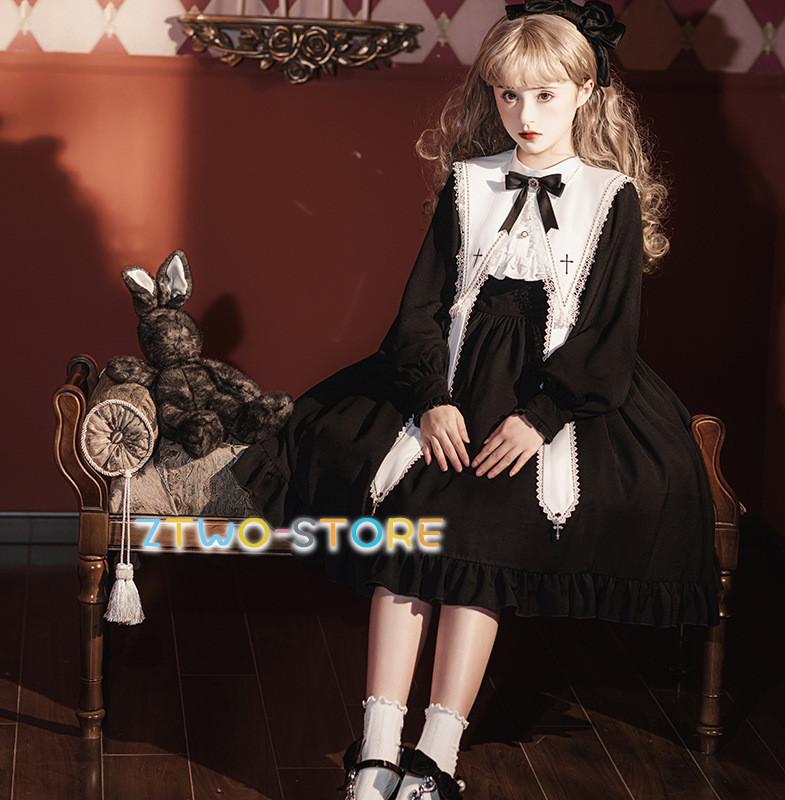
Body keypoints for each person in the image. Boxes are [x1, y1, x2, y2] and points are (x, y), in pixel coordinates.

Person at [231, 1, 724, 797]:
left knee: (479, 537)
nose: (527, 115)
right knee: (407, 525)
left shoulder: (612, 196)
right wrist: (431, 398)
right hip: (455, 388)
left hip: (549, 399)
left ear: (585, 93)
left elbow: (607, 336)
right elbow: (420, 310)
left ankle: (436, 755)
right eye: (509, 95)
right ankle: (377, 750)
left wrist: (540, 419)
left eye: (546, 96)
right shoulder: (469, 184)